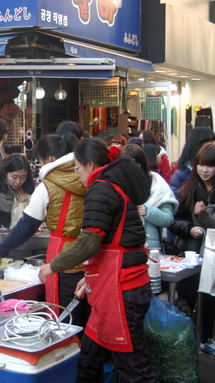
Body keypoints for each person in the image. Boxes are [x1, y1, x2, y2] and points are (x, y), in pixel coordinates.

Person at [38, 137, 155, 382]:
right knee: (89, 359)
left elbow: (90, 242)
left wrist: (53, 266)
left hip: (121, 290)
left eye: (76, 167)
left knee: (135, 369)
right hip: (111, 286)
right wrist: (89, 277)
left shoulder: (101, 188)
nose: (76, 173)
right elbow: (108, 240)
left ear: (89, 164)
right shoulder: (111, 185)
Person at [0, 133, 89, 327]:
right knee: (86, 320)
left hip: (62, 262)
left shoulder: (49, 185)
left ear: (50, 159)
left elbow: (27, 226)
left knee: (63, 322)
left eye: (40, 161)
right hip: (91, 261)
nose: (41, 165)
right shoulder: (88, 177)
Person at [169, 142, 215, 360]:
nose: (204, 170)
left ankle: (207, 340)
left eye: (209, 166)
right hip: (191, 252)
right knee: (187, 296)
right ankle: (184, 339)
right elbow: (173, 221)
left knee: (210, 295)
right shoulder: (187, 188)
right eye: (201, 165)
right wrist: (188, 228)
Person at [122, 144, 178, 250]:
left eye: (135, 163)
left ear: (141, 163)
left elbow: (168, 218)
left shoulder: (156, 183)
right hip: (123, 246)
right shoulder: (117, 185)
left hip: (150, 248)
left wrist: (148, 211)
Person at [0, 154, 34, 238]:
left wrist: (25, 204)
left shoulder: (27, 191)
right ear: (5, 173)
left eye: (23, 177)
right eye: (14, 177)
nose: (18, 182)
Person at [169, 127, 215, 194]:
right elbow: (173, 199)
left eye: (214, 143)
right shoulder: (181, 174)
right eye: (209, 143)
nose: (213, 147)